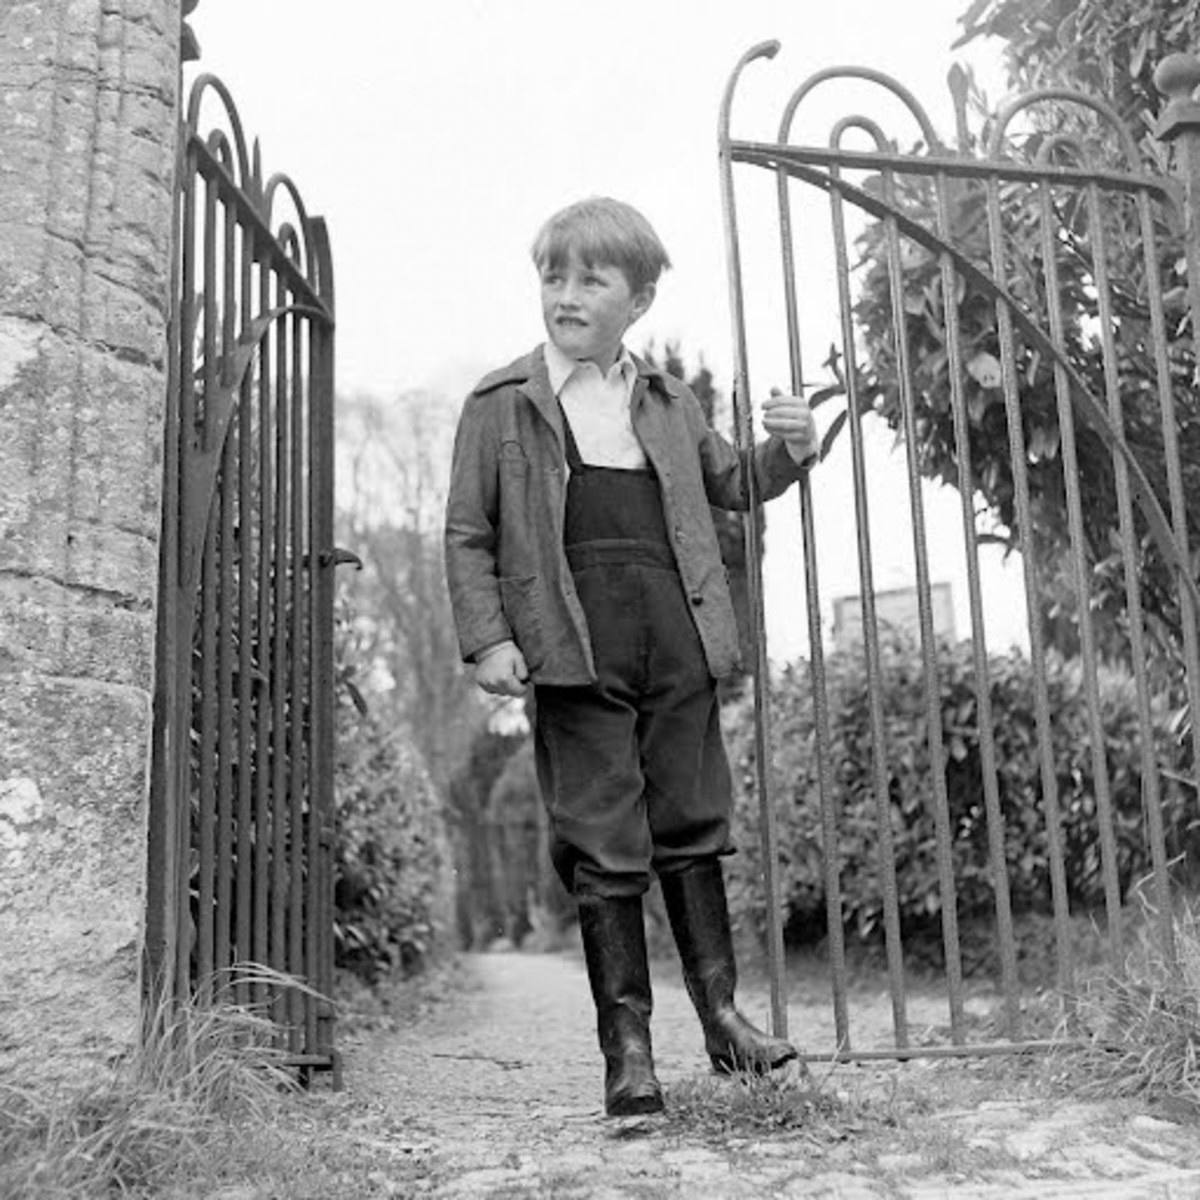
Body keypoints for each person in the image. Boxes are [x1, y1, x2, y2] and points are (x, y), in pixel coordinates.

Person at [444, 196, 818, 1117]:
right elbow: (467, 533)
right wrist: (490, 638)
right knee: (602, 840)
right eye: (553, 277)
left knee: (693, 823)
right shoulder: (500, 405)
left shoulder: (667, 400)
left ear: (639, 299)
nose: (566, 295)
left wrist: (790, 448)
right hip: (573, 647)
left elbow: (734, 481)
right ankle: (629, 1053)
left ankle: (724, 1021)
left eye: (591, 279)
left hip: (676, 636)